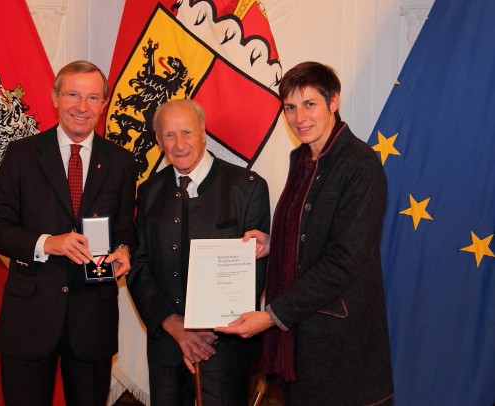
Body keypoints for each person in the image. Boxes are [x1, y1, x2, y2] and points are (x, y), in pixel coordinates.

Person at [216, 62, 394, 405]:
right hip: (302, 340)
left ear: (334, 102)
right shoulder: (303, 159)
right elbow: (309, 232)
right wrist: (273, 243)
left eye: (309, 104)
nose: (299, 118)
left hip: (341, 347)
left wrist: (270, 317)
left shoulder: (360, 165)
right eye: (290, 107)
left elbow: (343, 260)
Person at [0, 60, 136, 405]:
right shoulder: (21, 155)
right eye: (73, 95)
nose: (82, 107)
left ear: (104, 103)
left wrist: (124, 250)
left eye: (93, 97)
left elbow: (125, 226)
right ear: (54, 97)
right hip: (30, 317)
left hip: (92, 319)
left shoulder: (121, 162)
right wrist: (47, 243)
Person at [127, 99, 270, 405]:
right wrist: (173, 324)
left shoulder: (247, 188)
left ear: (204, 132)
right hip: (166, 347)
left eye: (187, 132)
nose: (179, 144)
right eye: (169, 135)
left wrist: (202, 333)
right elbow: (139, 266)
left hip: (223, 348)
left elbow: (256, 274)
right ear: (157, 140)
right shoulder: (149, 191)